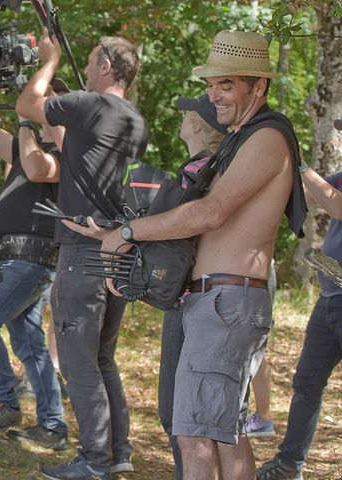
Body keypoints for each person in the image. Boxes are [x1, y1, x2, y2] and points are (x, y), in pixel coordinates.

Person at [66, 30, 307, 480]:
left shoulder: (267, 137)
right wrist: (125, 240)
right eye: (211, 85)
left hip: (227, 304)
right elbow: (195, 222)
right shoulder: (242, 137)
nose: (213, 95)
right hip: (217, 302)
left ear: (259, 86)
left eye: (227, 85)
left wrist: (129, 231)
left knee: (195, 436)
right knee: (220, 434)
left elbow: (210, 213)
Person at [17, 28, 148, 480]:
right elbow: (74, 149)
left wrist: (48, 60)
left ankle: (94, 461)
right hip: (116, 250)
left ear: (107, 67)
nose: (88, 68)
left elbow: (26, 106)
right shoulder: (133, 118)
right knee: (102, 357)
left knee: (77, 362)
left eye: (93, 61)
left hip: (81, 251)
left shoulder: (90, 104)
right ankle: (118, 450)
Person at [0, 79, 68, 449]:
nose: (42, 107)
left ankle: (6, 402)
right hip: (13, 259)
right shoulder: (28, 146)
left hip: (32, 260)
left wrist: (26, 120)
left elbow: (40, 170)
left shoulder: (67, 152)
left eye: (50, 102)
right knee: (30, 346)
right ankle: (52, 426)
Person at [256, 117, 342, 480]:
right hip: (331, 296)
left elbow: (337, 206)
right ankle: (290, 464)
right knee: (307, 383)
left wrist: (302, 164)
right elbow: (309, 196)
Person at [157, 93, 227, 480]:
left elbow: (180, 231)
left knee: (178, 412)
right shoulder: (210, 168)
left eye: (185, 115)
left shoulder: (201, 172)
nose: (181, 120)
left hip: (191, 300)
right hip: (197, 297)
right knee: (192, 414)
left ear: (197, 125)